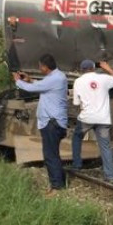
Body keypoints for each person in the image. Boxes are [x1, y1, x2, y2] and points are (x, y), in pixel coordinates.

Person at [15, 54, 68, 194]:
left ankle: (57, 187)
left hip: (52, 122)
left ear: (45, 67)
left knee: (50, 155)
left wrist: (18, 81)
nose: (39, 68)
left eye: (40, 66)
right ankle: (61, 182)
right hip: (53, 122)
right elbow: (41, 85)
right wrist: (30, 80)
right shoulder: (56, 76)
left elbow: (32, 89)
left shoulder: (55, 78)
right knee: (54, 154)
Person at [71, 59, 113, 183]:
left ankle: (77, 165)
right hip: (103, 119)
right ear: (94, 68)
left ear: (82, 70)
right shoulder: (104, 78)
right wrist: (107, 68)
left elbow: (76, 103)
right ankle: (110, 176)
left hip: (86, 118)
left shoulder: (78, 82)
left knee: (77, 137)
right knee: (105, 146)